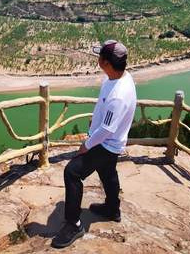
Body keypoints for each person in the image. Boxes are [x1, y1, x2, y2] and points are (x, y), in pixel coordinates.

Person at [51, 39, 137, 249]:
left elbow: (107, 129)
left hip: (106, 144)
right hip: (110, 142)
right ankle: (112, 209)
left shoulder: (119, 94)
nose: (97, 59)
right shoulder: (120, 78)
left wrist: (87, 145)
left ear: (106, 63)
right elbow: (106, 116)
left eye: (100, 57)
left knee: (72, 172)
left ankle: (74, 224)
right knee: (107, 172)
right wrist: (95, 121)